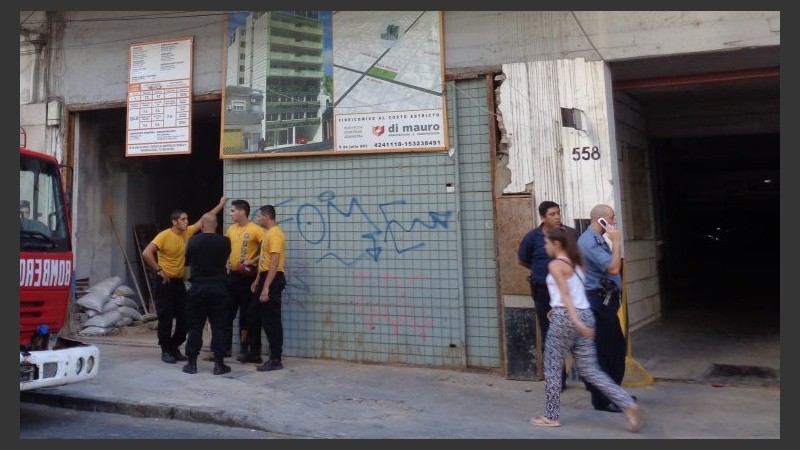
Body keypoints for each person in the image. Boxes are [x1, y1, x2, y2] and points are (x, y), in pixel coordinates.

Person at [530, 227, 642, 432]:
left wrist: (572, 319)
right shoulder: (577, 263)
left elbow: (565, 295)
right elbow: (574, 293)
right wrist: (567, 315)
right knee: (591, 370)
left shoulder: (555, 265)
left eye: (547, 242)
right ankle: (627, 404)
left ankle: (551, 416)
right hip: (585, 314)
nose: (545, 245)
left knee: (553, 367)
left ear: (556, 244)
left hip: (568, 317)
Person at [142, 196, 227, 364]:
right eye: (183, 219)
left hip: (179, 283)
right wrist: (159, 269)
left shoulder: (187, 232)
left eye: (187, 219)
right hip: (165, 283)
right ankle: (166, 350)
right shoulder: (164, 236)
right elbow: (146, 252)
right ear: (175, 222)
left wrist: (221, 204)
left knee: (185, 319)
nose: (187, 222)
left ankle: (174, 346)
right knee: (166, 319)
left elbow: (206, 218)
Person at [517, 200, 578, 390]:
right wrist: (540, 273)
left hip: (567, 291)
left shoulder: (570, 234)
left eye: (558, 213)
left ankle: (589, 377)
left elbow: (579, 258)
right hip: (543, 291)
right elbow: (523, 260)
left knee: (575, 332)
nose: (557, 217)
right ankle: (557, 380)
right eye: (552, 214)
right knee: (549, 334)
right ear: (543, 217)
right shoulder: (532, 238)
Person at [577, 204, 627, 413]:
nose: (614, 221)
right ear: (601, 220)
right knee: (605, 351)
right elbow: (613, 267)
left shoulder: (597, 240)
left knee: (616, 348)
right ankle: (603, 399)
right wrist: (616, 242)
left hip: (606, 301)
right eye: (611, 218)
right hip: (599, 302)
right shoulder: (589, 241)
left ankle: (614, 393)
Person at [183, 213, 232, 375]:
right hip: (219, 288)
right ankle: (219, 364)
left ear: (202, 225)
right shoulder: (225, 242)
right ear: (216, 225)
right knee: (219, 326)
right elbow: (225, 259)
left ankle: (191, 363)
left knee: (195, 326)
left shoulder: (193, 240)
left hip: (198, 288)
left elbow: (187, 260)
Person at [221, 199, 264, 363]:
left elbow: (267, 249)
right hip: (231, 276)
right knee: (226, 312)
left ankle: (245, 349)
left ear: (242, 212)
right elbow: (226, 248)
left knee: (246, 315)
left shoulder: (256, 229)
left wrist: (253, 261)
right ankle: (225, 348)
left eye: (233, 211)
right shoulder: (231, 229)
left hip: (247, 278)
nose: (231, 214)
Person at [248, 204, 287, 372]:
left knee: (272, 320)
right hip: (265, 276)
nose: (258, 219)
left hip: (273, 277)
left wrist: (266, 287)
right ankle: (255, 352)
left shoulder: (276, 234)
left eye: (259, 216)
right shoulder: (268, 234)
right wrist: (258, 279)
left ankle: (276, 358)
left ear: (266, 216)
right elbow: (263, 260)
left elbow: (274, 261)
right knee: (255, 314)